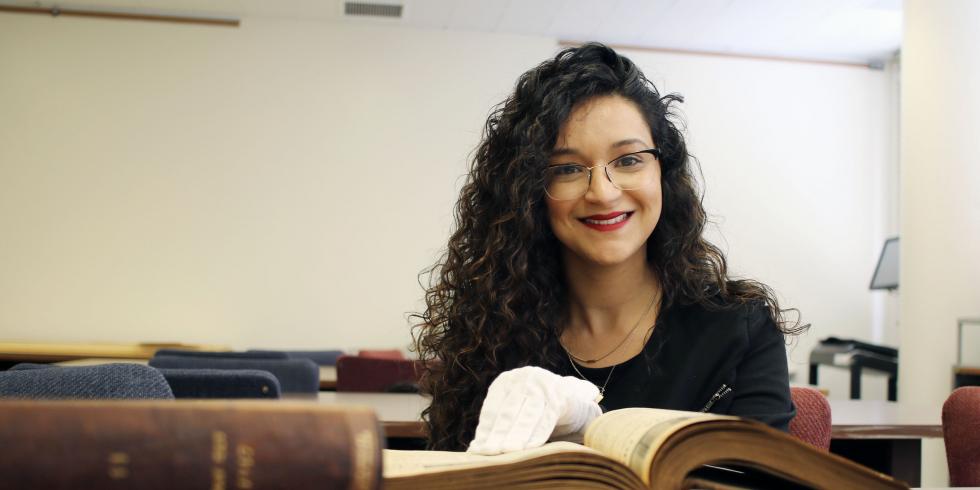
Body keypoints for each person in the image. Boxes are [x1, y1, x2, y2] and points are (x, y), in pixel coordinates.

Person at [412, 43, 806, 454]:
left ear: (663, 173)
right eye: (566, 169)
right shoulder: (489, 331)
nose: (602, 192)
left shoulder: (740, 330)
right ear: (529, 192)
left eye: (628, 160)